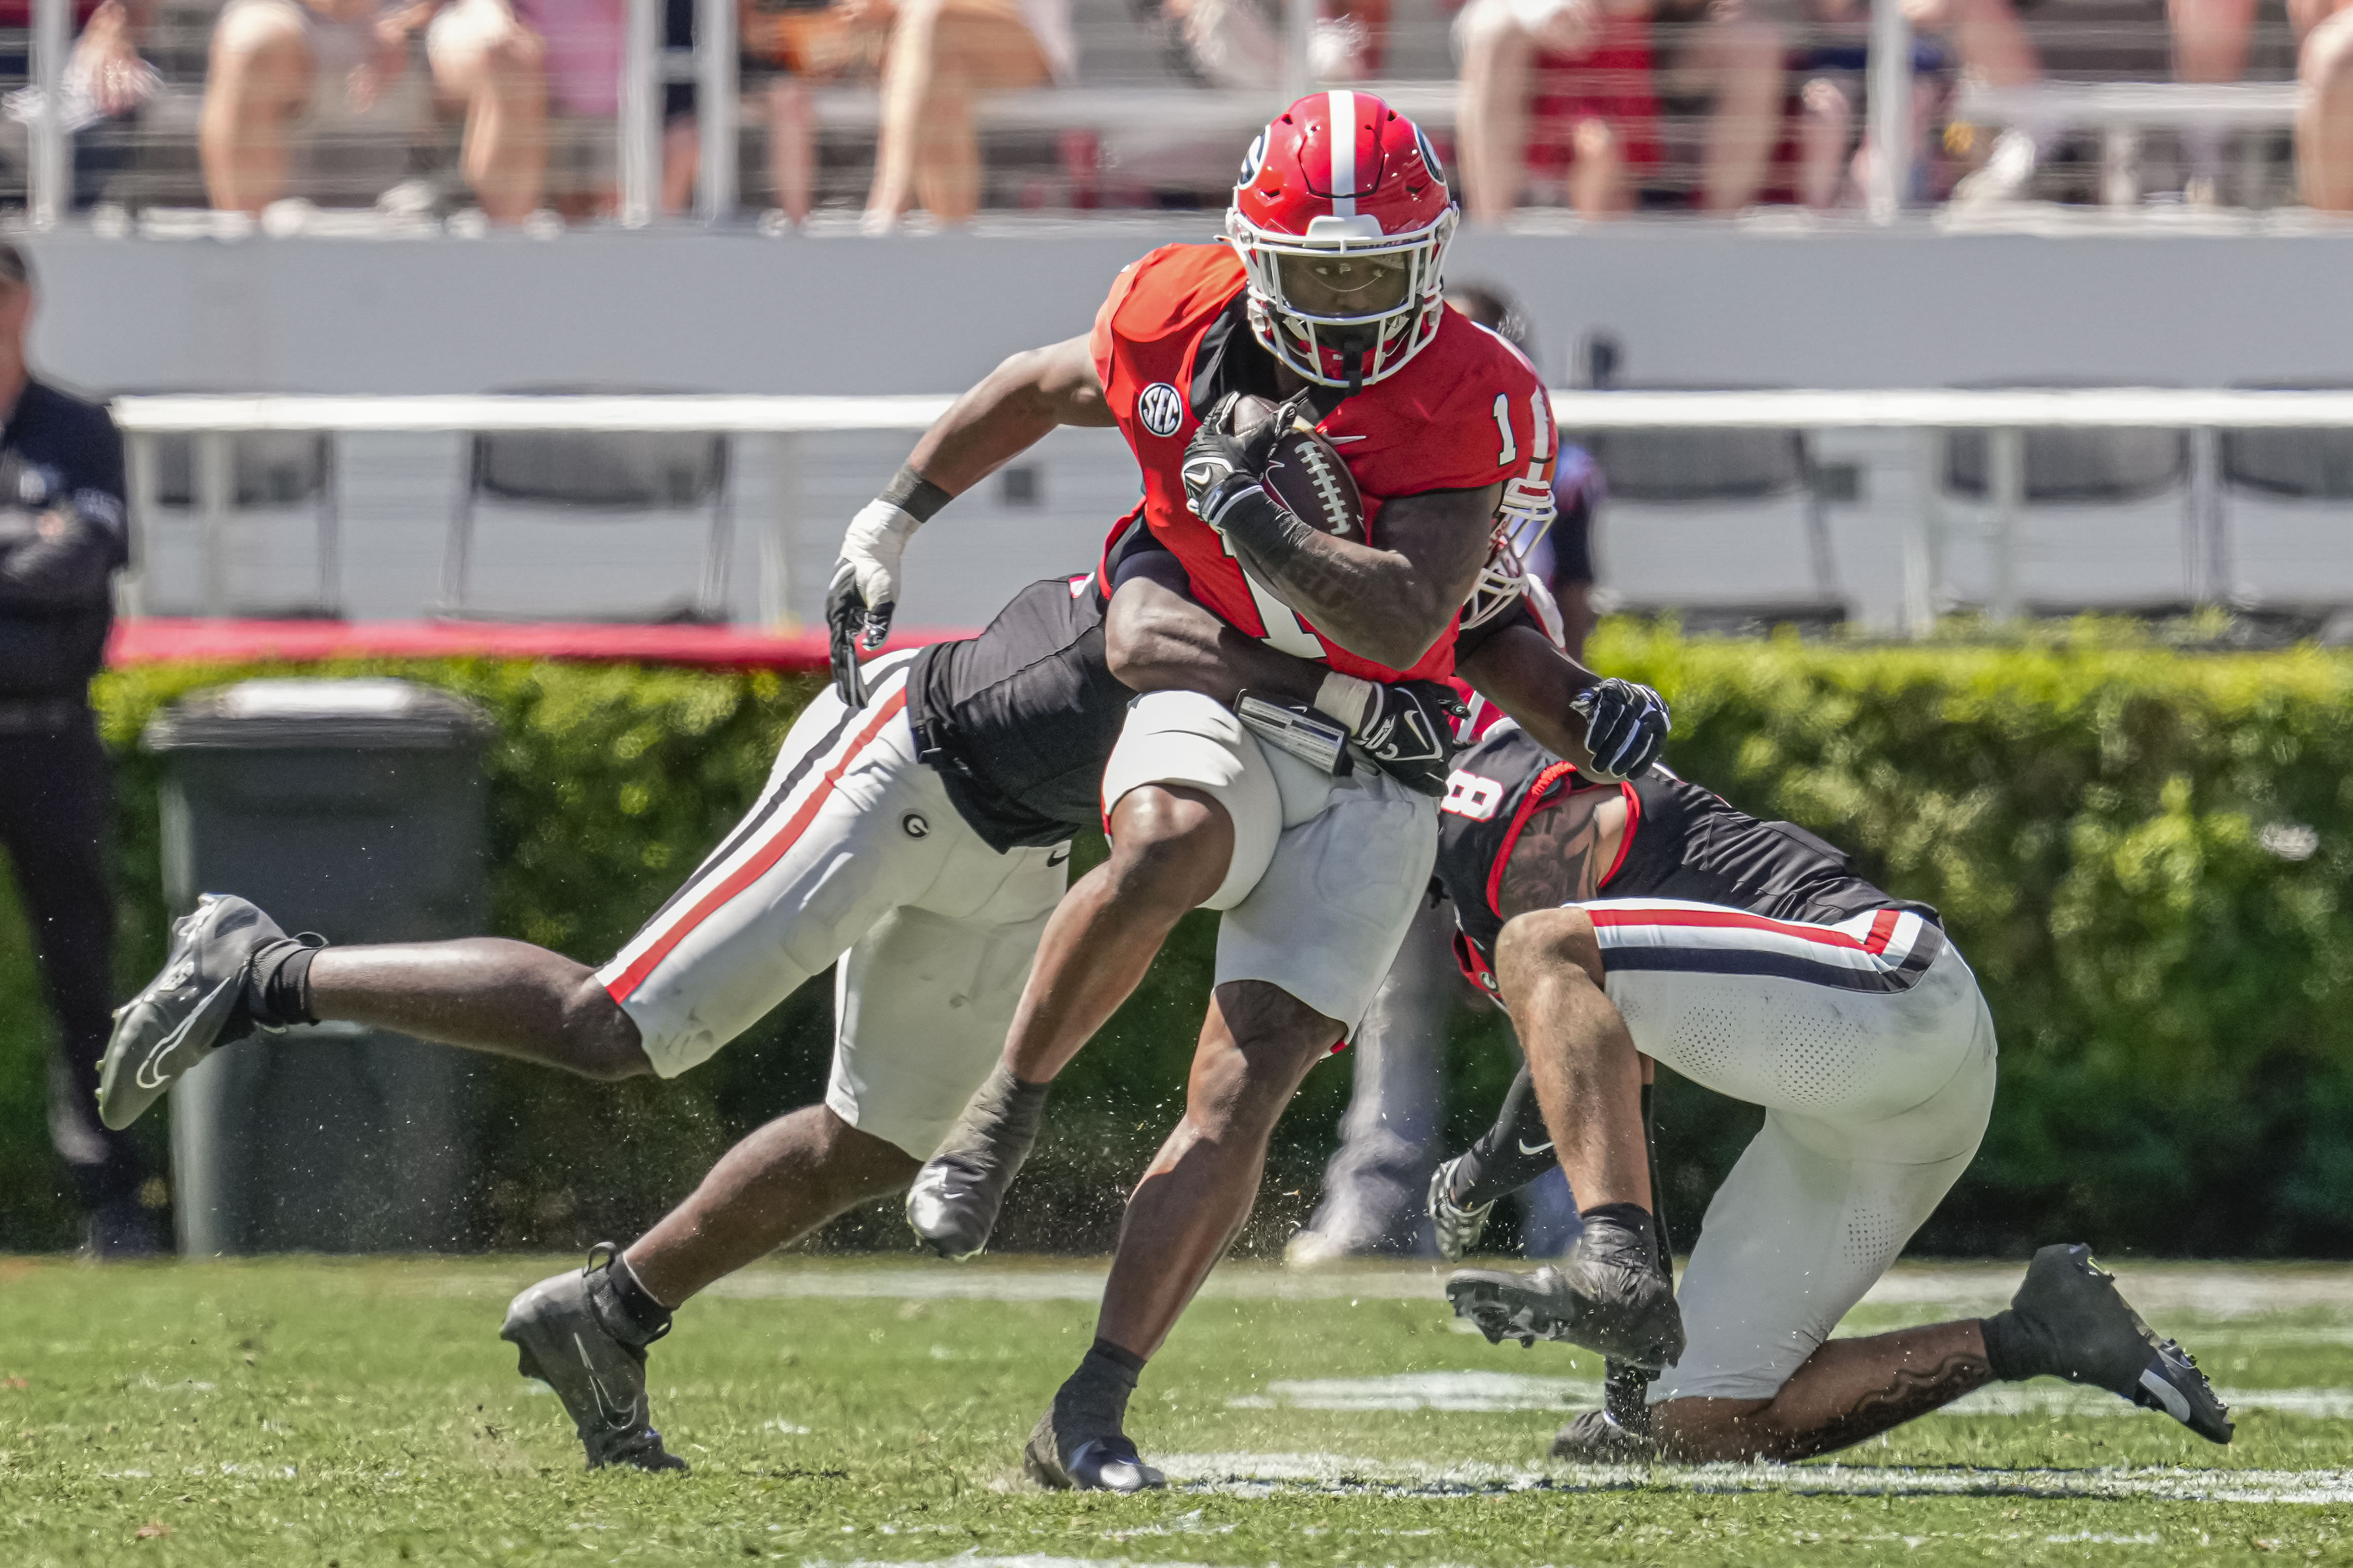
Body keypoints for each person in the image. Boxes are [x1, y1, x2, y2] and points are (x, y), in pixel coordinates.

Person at [857, 93, 1668, 1493]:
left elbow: (1433, 623)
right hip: (1227, 695)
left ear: (1430, 259)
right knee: (1167, 838)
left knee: (1249, 1086)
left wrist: (1571, 704)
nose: (1350, 307)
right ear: (1253, 253)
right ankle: (1003, 1107)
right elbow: (1035, 386)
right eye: (1322, 274)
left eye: (1376, 273)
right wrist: (894, 513)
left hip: (1383, 742)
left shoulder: (1470, 391)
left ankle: (1092, 1408)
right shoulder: (1174, 310)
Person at [1423, 717, 2235, 1462]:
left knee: (1537, 944)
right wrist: (1634, 1380)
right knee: (1695, 1425)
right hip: (1884, 1107)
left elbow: (1554, 1065)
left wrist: (1473, 1181)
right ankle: (2045, 1332)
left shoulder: (1485, 795)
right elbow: (1605, 1097)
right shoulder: (1550, 896)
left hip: (1890, 990)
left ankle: (1617, 1276)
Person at [1285, 279, 1602, 1267]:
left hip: (1510, 752)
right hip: (1401, 738)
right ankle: (1379, 1197)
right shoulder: (1356, 453)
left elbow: (1569, 620)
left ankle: (1577, 1211)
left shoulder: (1561, 469)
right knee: (1396, 987)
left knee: (1542, 986)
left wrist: (1570, 753)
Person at [0, 242, 148, 1257]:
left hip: (48, 734)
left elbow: (81, 560)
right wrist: (23, 541)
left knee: (79, 970)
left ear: (24, 302)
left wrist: (44, 549)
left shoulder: (78, 428)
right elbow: (41, 558)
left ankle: (113, 1202)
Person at [200, 0, 551, 222]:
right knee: (248, 43)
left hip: (428, 21)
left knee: (508, 54)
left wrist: (409, 19)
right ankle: (240, 248)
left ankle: (507, 255)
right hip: (305, 20)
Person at [859, 0, 1073, 231]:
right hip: (931, 45)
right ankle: (952, 238)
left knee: (934, 20)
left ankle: (891, 204)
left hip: (1026, 39)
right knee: (940, 77)